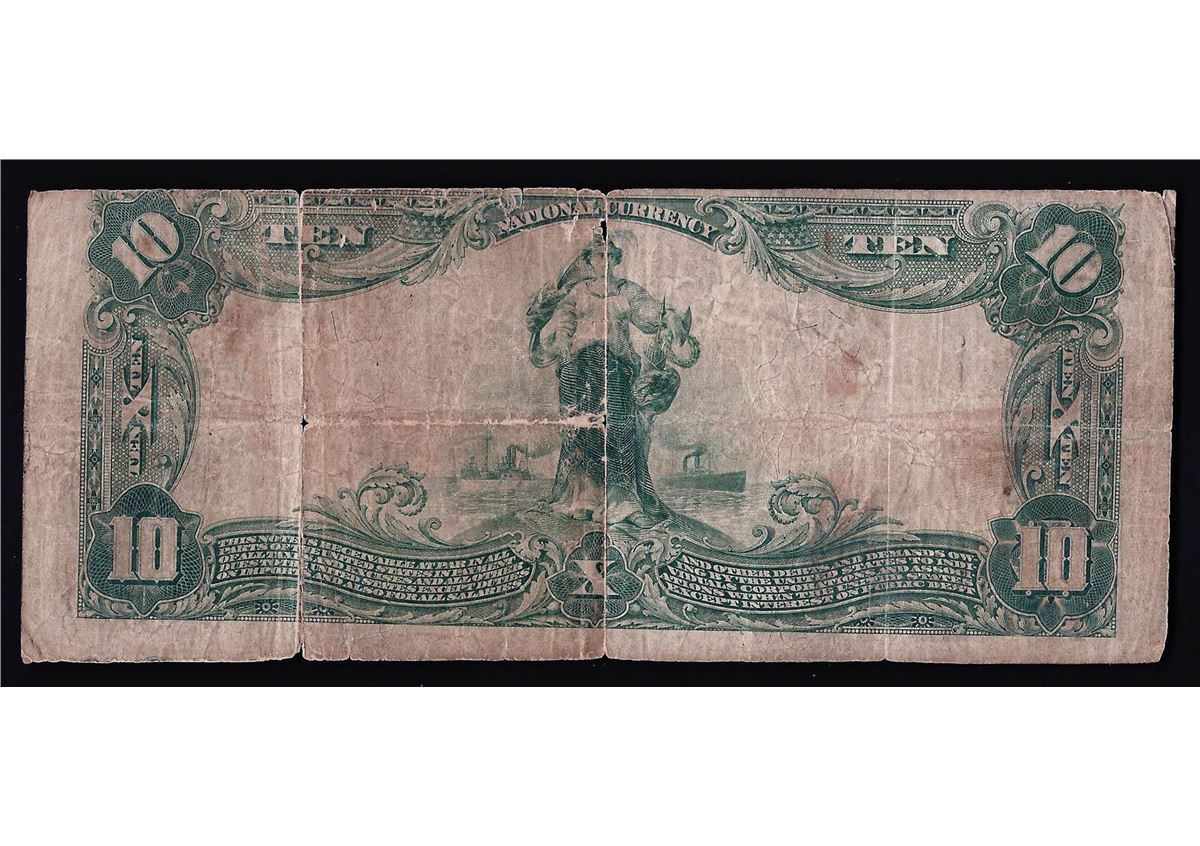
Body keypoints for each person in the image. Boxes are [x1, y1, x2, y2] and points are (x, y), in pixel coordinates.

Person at [526, 228, 699, 526]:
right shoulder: (577, 293)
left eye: (609, 255)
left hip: (616, 369)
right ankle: (583, 500)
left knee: (618, 433)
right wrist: (558, 335)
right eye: (598, 255)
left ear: (616, 259)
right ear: (589, 260)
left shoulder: (627, 291)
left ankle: (622, 504)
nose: (604, 261)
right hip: (578, 369)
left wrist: (669, 316)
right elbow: (560, 329)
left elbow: (651, 314)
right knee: (582, 433)